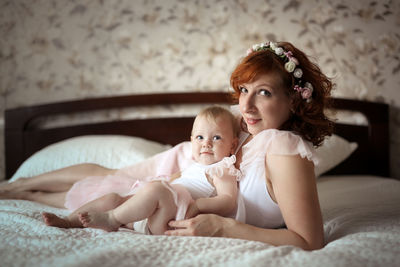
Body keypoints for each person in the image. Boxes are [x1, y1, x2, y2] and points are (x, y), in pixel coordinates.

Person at [0, 41, 333, 250]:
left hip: (190, 187)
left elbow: (309, 240)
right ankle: (20, 186)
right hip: (187, 165)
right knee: (115, 177)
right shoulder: (244, 125)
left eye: (264, 92)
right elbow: (215, 120)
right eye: (244, 91)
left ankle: (28, 193)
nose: (246, 106)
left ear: (294, 99)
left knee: (121, 190)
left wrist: (225, 227)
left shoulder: (284, 145)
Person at [41, 106, 242, 234]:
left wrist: (199, 205)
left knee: (158, 190)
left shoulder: (222, 169)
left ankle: (112, 219)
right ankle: (69, 221)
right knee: (113, 198)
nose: (206, 143)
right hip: (150, 213)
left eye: (216, 138)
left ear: (232, 146)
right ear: (191, 142)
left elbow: (228, 200)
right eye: (200, 138)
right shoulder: (193, 166)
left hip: (174, 219)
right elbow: (174, 179)